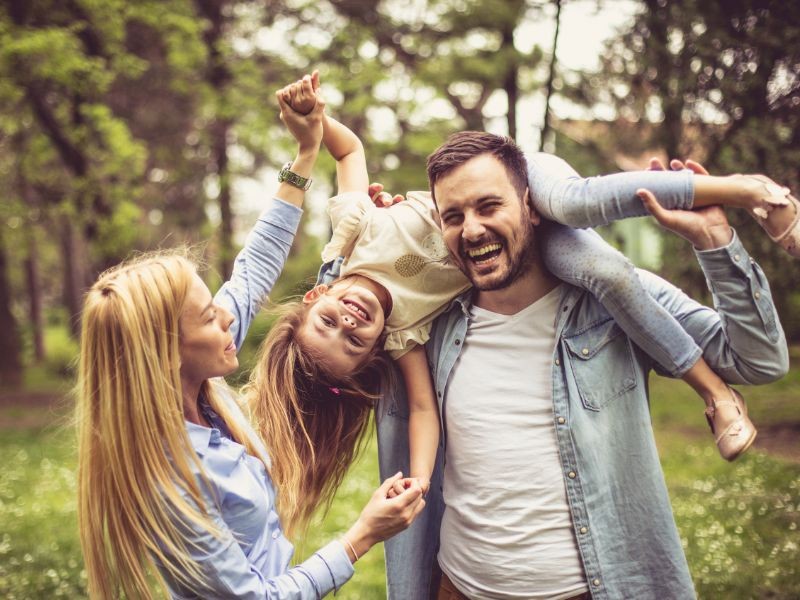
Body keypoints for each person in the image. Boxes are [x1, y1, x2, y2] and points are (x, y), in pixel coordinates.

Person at [265, 72, 795, 506]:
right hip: (524, 237)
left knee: (574, 202)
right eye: (353, 342)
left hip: (510, 174)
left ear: (316, 298)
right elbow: (424, 412)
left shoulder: (351, 236)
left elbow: (349, 152)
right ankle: (715, 390)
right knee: (607, 274)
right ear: (374, 350)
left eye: (329, 323)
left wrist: (314, 126)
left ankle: (751, 189)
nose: (350, 323)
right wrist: (420, 479)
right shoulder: (407, 334)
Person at [374, 132, 791, 599]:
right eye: (454, 216)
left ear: (532, 207)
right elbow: (334, 331)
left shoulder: (619, 303)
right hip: (458, 588)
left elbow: (758, 361)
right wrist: (376, 237)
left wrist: (715, 242)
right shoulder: (429, 326)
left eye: (489, 207)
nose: (471, 230)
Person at [75, 88, 425, 600]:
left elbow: (254, 268)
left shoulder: (198, 369)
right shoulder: (170, 479)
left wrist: (304, 154)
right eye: (208, 315)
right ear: (166, 353)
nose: (228, 313)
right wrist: (361, 536)